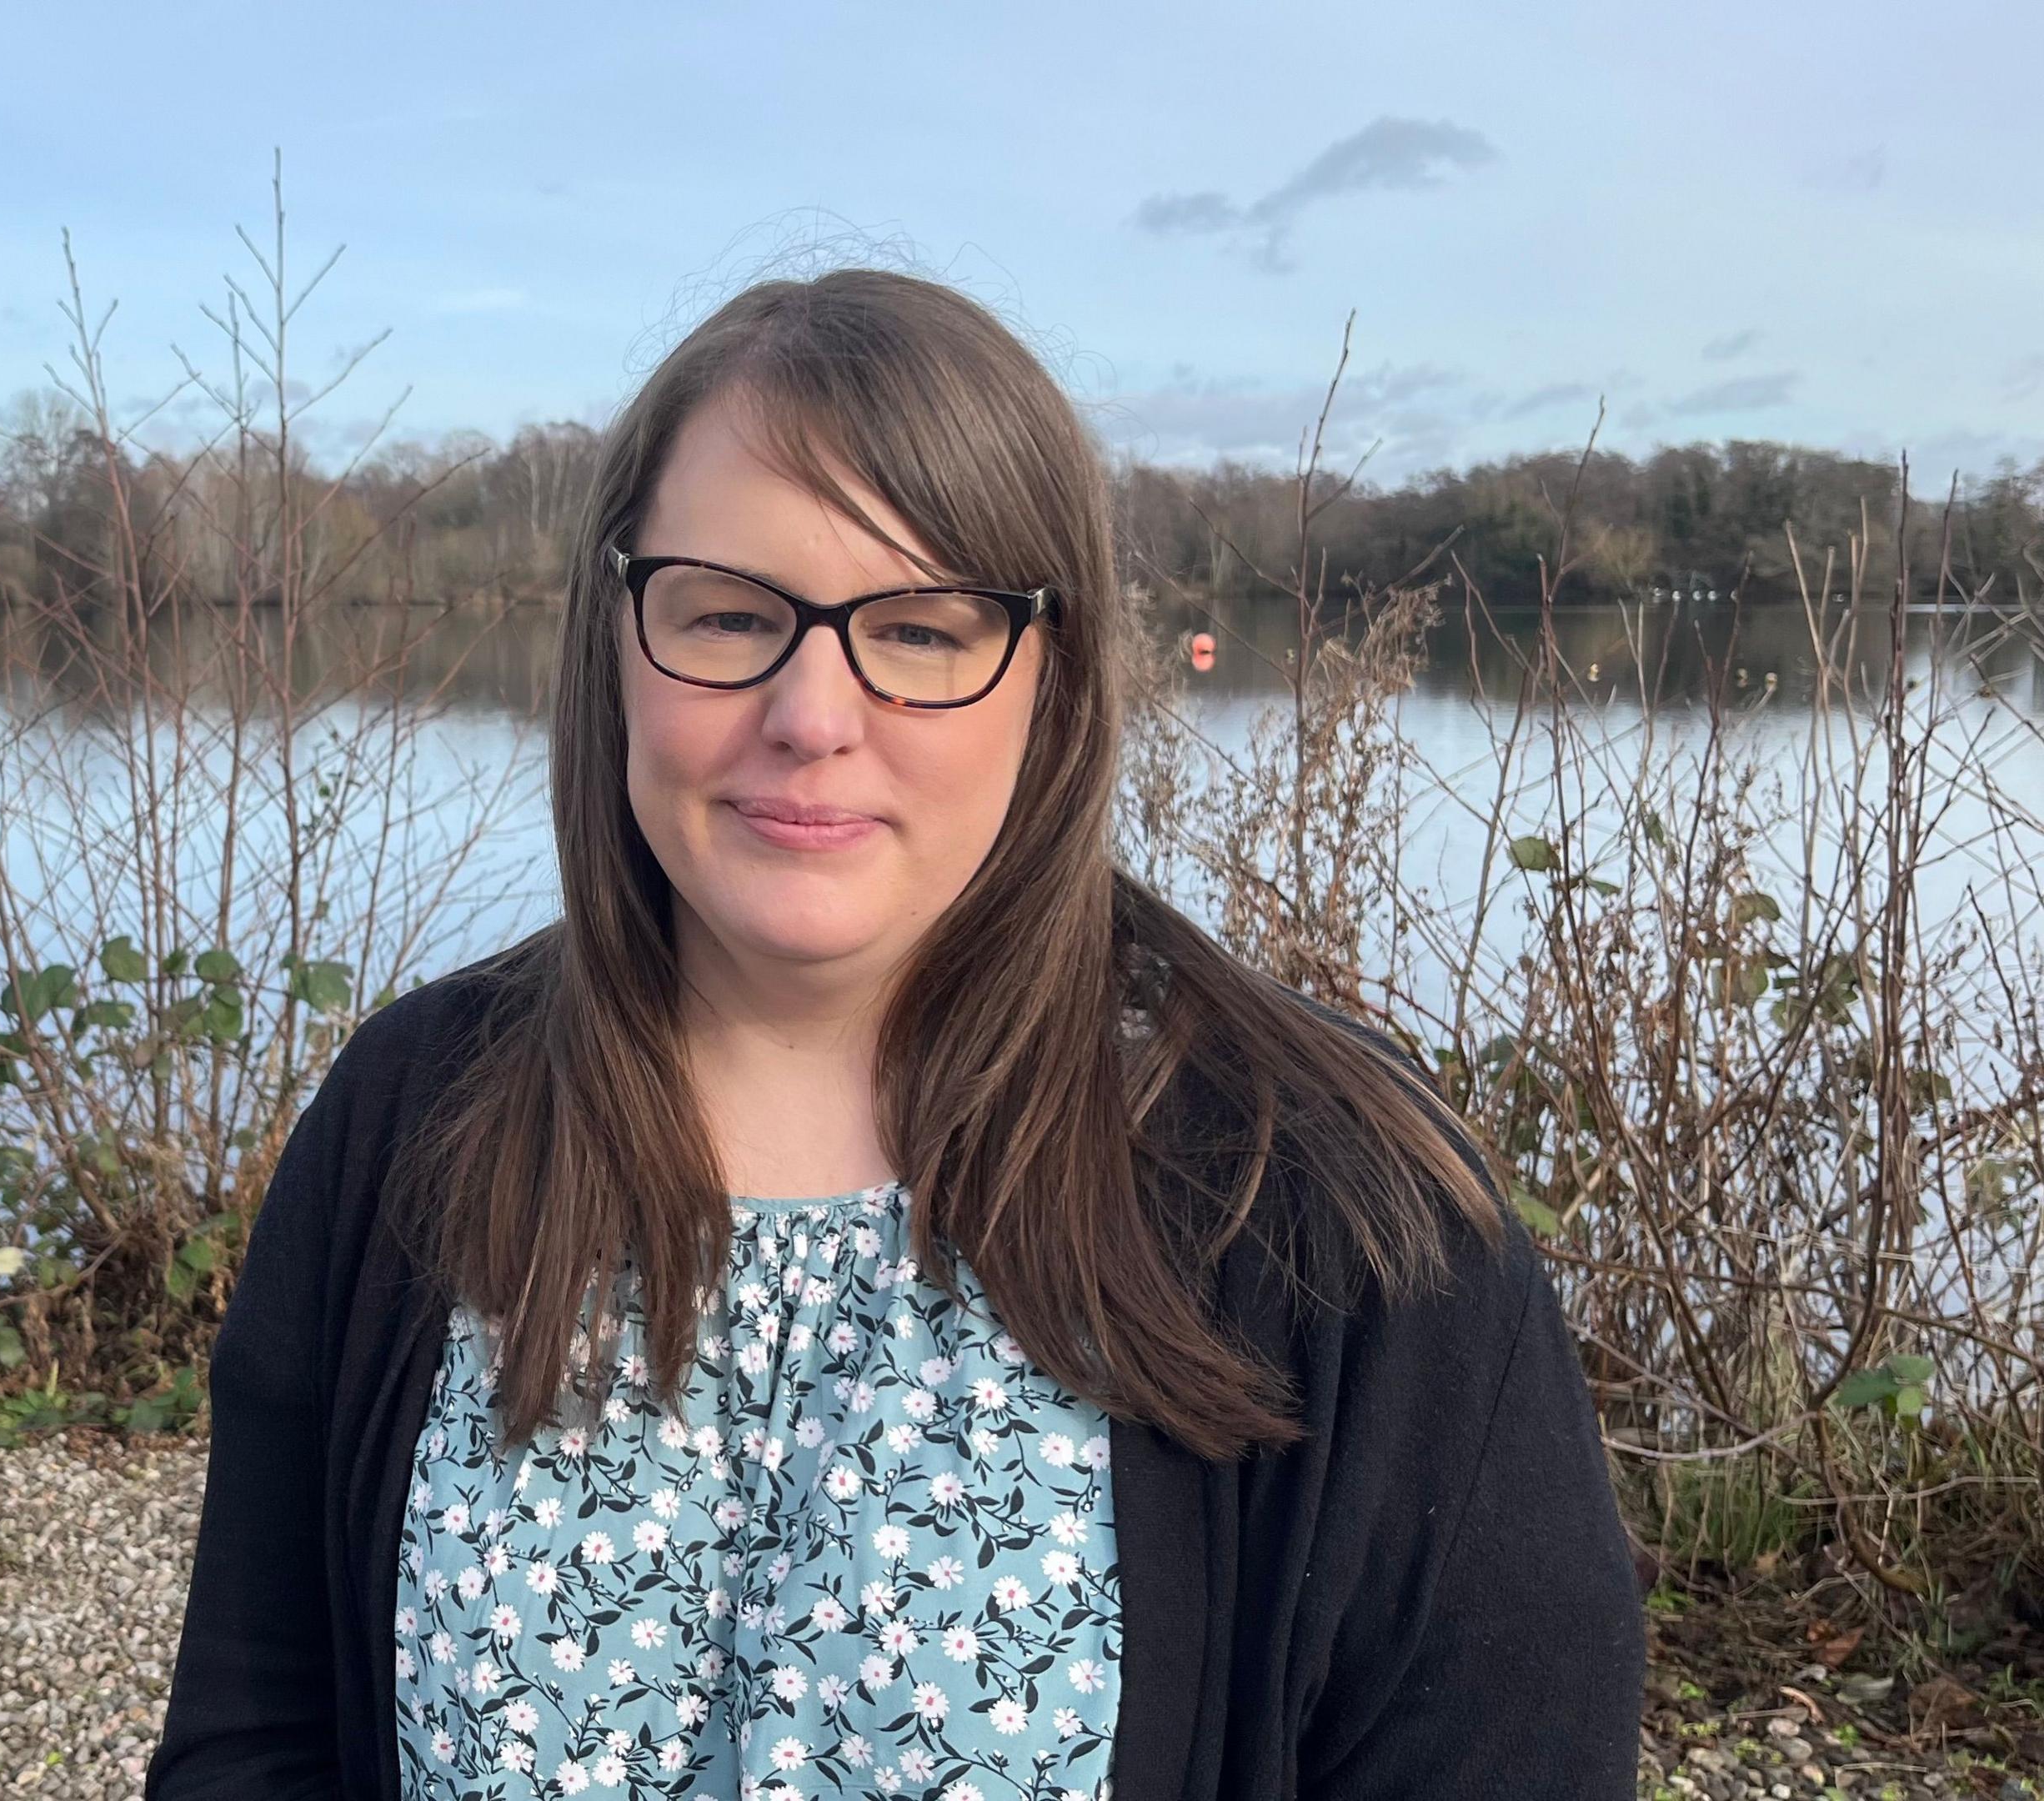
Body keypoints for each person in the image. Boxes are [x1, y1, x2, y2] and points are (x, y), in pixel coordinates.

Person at [147, 269, 1643, 1800]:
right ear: (616, 642)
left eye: (922, 630)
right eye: (728, 613)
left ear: (1050, 682)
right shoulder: (412, 1122)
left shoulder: (1336, 1206)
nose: (812, 711)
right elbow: (259, 1742)